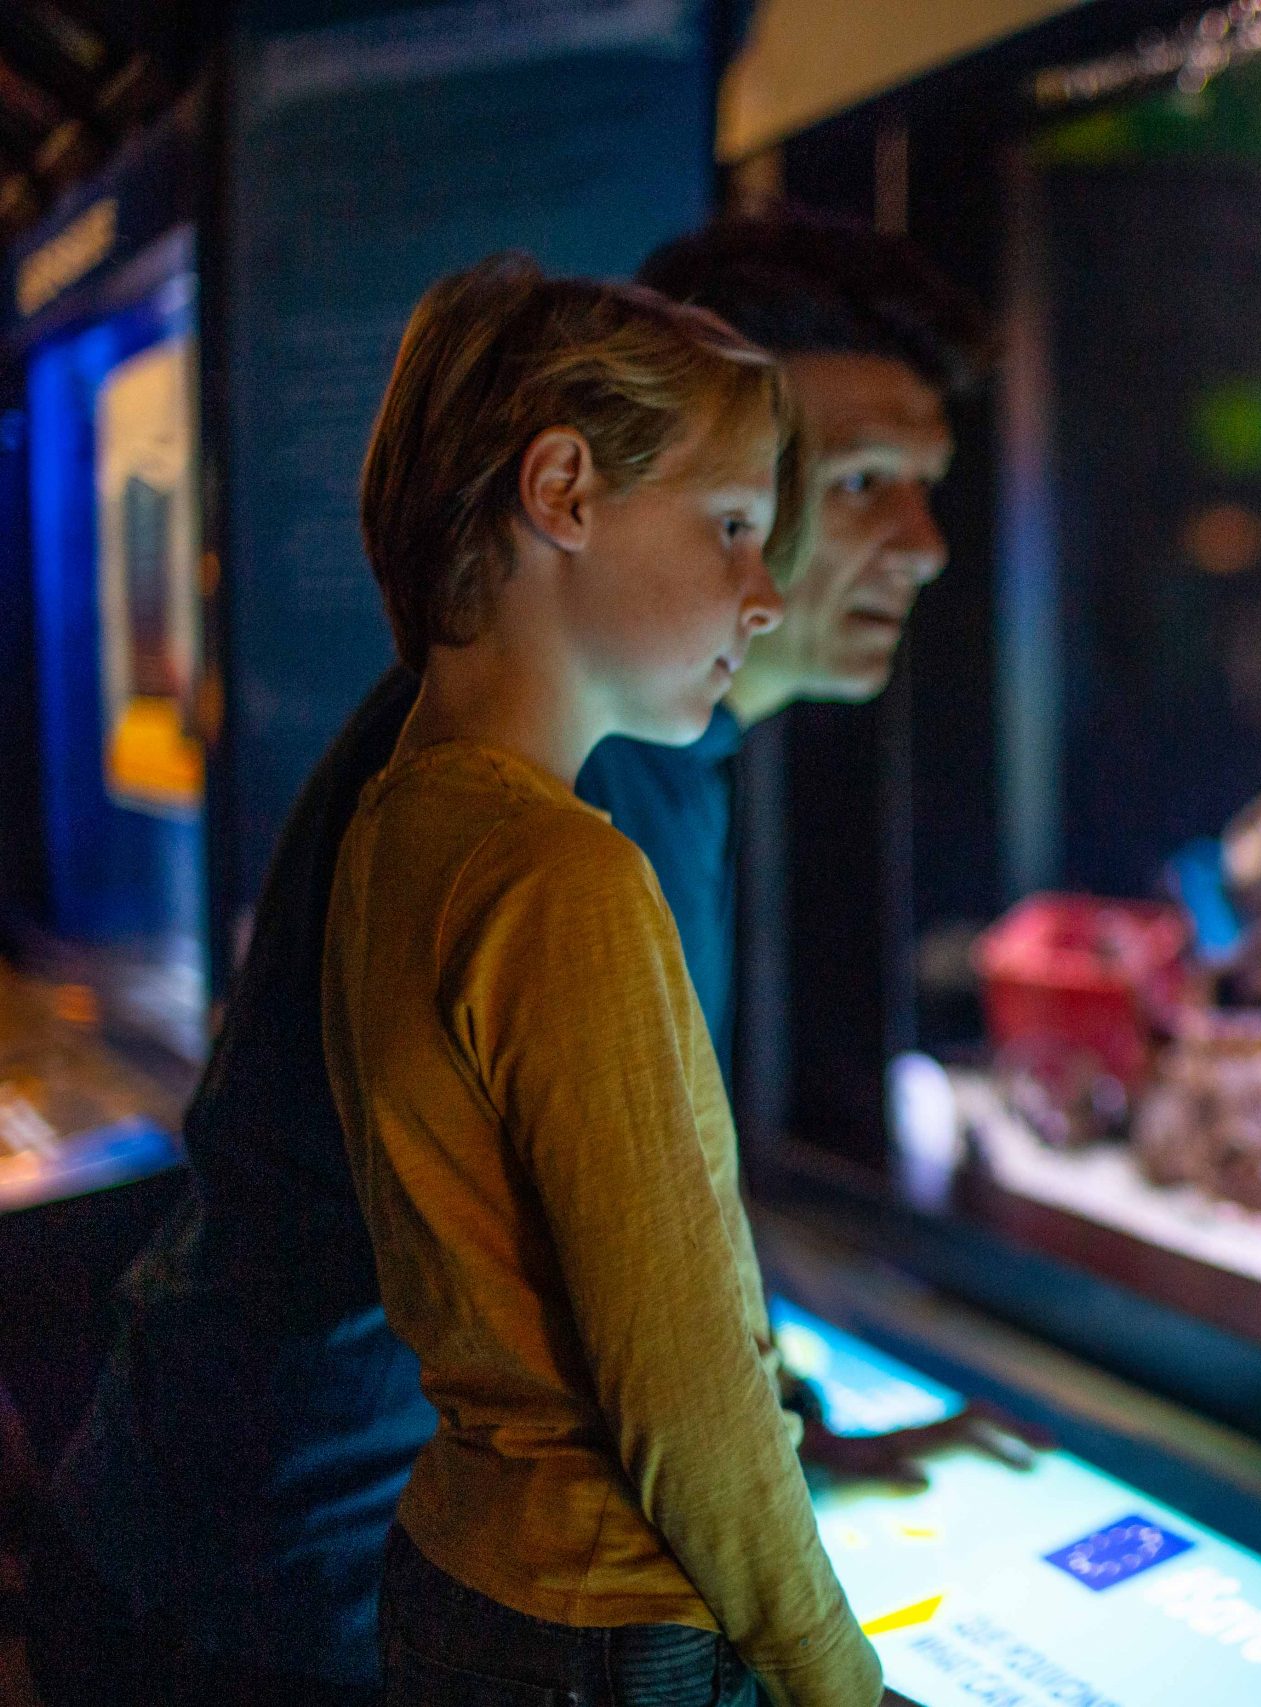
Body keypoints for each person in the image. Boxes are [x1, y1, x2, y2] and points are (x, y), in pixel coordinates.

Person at [27, 214, 987, 1706]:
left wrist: (784, 1419)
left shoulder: (518, 764)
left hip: (261, 1543)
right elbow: (651, 1353)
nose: (918, 547)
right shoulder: (582, 808)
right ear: (572, 492)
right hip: (294, 1583)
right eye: (834, 484)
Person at [321, 253, 869, 1704]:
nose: (765, 594)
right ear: (561, 492)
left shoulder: (395, 820)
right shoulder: (567, 874)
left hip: (455, 1564)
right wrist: (829, 1669)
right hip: (614, 1623)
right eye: (735, 526)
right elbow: (683, 1382)